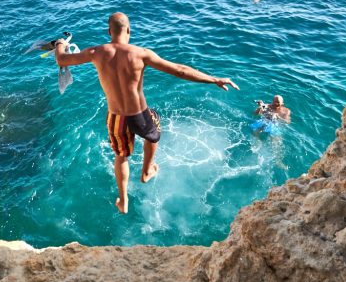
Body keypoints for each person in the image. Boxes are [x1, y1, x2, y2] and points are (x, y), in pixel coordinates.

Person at [54, 12, 238, 214]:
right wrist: (214, 79)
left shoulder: (96, 53)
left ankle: (123, 201)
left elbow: (62, 60)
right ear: (129, 30)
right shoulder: (141, 54)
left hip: (116, 117)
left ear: (109, 32)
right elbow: (180, 70)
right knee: (154, 129)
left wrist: (60, 44)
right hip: (139, 114)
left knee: (121, 156)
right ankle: (147, 169)